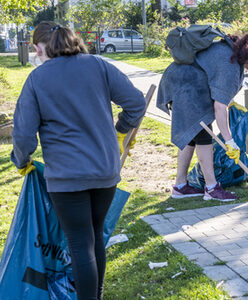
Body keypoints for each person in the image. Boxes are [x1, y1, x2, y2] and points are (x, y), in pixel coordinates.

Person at [10, 21, 146, 300]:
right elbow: (135, 102)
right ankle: (95, 295)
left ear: (38, 48)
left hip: (67, 177)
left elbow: (23, 135)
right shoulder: (99, 65)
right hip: (105, 171)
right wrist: (121, 130)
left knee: (79, 244)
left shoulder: (37, 79)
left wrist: (21, 160)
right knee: (94, 238)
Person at [157, 33, 248, 202]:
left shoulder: (233, 53)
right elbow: (219, 107)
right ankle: (211, 188)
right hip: (185, 88)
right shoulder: (230, 62)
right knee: (203, 133)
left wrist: (230, 101)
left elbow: (216, 82)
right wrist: (229, 141)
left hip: (181, 84)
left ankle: (180, 186)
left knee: (192, 135)